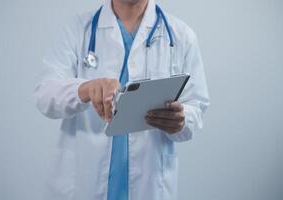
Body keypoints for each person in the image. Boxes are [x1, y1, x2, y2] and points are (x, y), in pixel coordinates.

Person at [34, 0, 210, 199]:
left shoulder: (181, 36)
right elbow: (44, 95)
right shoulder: (77, 30)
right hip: (85, 181)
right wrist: (84, 89)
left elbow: (196, 105)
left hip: (150, 183)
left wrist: (182, 119)